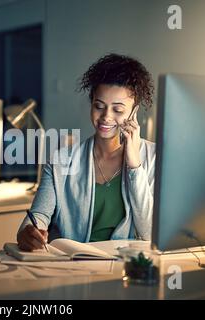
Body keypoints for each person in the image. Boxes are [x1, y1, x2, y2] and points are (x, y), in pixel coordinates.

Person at [17, 54, 156, 251]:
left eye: (118, 110)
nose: (106, 117)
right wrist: (28, 232)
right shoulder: (60, 161)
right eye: (99, 106)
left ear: (134, 112)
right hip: (75, 267)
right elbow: (38, 215)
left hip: (127, 269)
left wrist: (134, 165)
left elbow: (150, 233)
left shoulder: (153, 157)